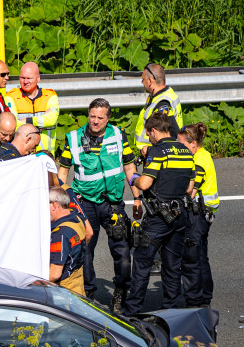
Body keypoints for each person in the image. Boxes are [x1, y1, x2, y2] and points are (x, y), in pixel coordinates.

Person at [58, 98, 138, 312]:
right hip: (84, 203)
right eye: (92, 116)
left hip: (112, 203)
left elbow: (130, 167)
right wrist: (64, 202)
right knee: (84, 250)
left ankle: (121, 292)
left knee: (121, 250)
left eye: (100, 118)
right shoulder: (74, 138)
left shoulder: (119, 136)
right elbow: (63, 172)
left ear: (108, 118)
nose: (94, 121)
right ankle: (88, 292)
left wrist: (137, 198)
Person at [122, 112, 196, 316]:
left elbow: (145, 183)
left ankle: (131, 312)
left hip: (158, 218)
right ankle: (170, 312)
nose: (149, 137)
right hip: (180, 215)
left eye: (148, 134)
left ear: (153, 131)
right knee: (172, 267)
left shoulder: (158, 151)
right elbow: (190, 188)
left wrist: (134, 178)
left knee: (142, 263)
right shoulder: (186, 151)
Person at [178, 123, 218, 309]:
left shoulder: (199, 160)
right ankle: (204, 299)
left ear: (193, 143)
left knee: (191, 259)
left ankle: (195, 301)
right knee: (201, 257)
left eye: (181, 145)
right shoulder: (202, 154)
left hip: (197, 215)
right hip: (204, 214)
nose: (179, 148)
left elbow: (190, 191)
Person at [6, 62, 60, 156]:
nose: (25, 82)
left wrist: (26, 120)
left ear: (38, 78)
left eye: (29, 78)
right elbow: (13, 124)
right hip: (22, 156)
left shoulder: (50, 96)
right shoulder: (11, 97)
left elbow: (51, 120)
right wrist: (42, 121)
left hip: (45, 156)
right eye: (22, 78)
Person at [134, 63, 183, 155]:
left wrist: (153, 150)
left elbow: (171, 132)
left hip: (159, 155)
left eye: (143, 79)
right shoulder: (164, 94)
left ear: (150, 81)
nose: (142, 82)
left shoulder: (162, 103)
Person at [48, 187, 87, 296]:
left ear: (54, 205)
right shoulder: (77, 219)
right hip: (78, 285)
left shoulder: (60, 234)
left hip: (63, 293)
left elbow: (54, 274)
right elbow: (89, 234)